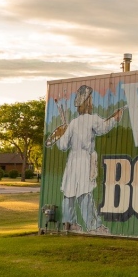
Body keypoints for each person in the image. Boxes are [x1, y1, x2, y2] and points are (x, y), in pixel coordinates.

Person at [45, 85, 124, 234]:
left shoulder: (73, 123)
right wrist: (115, 118)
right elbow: (103, 128)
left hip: (72, 161)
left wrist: (62, 133)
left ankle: (69, 223)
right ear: (87, 101)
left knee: (69, 194)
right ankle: (93, 226)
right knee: (84, 194)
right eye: (91, 99)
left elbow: (62, 146)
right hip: (83, 160)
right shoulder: (91, 119)